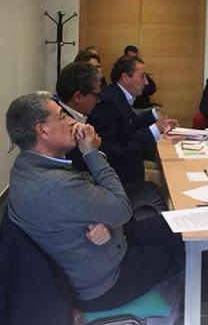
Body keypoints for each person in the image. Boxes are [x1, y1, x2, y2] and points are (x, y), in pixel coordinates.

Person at [6, 92, 208, 324]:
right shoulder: (54, 186)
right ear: (42, 131)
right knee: (180, 247)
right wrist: (90, 153)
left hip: (86, 254)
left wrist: (105, 222)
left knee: (169, 225)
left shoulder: (25, 168)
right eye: (62, 117)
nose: (74, 121)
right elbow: (121, 207)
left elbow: (84, 204)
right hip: (101, 284)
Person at [56, 61, 166, 219]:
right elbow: (105, 155)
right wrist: (97, 151)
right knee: (152, 192)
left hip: (100, 185)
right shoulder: (70, 129)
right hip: (95, 195)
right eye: (96, 96)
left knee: (151, 189)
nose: (99, 100)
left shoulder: (81, 118)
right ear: (78, 97)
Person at [88, 56, 177, 186]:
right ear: (125, 78)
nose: (146, 83)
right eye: (142, 77)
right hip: (121, 179)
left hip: (130, 168)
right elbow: (112, 149)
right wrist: (155, 131)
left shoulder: (117, 95)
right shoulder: (108, 102)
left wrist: (155, 116)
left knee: (169, 173)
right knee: (170, 182)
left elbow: (131, 124)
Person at [122, 46, 157, 110]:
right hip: (127, 107)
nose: (132, 60)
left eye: (134, 58)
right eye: (130, 57)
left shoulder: (139, 69)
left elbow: (152, 89)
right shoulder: (120, 71)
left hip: (143, 105)